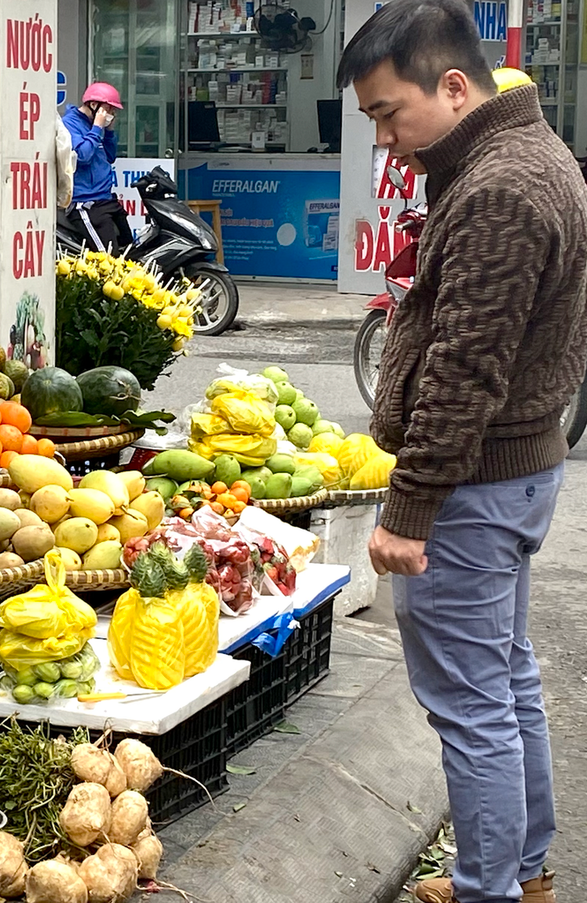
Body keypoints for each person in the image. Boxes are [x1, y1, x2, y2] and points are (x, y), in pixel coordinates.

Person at [338, 2, 587, 902]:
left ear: (452, 86)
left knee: (473, 707)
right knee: (506, 680)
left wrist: (409, 511)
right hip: (516, 472)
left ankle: (491, 888)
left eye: (386, 113)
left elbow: (466, 368)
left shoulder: (499, 191)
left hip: (473, 490)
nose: (385, 138)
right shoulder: (519, 154)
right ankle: (523, 871)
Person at [61, 82, 133, 252]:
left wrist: (109, 131)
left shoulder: (97, 125)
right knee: (108, 258)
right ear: (94, 105)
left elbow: (110, 156)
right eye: (109, 109)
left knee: (128, 250)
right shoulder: (69, 124)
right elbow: (83, 156)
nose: (111, 114)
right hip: (86, 202)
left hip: (106, 199)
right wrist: (97, 128)